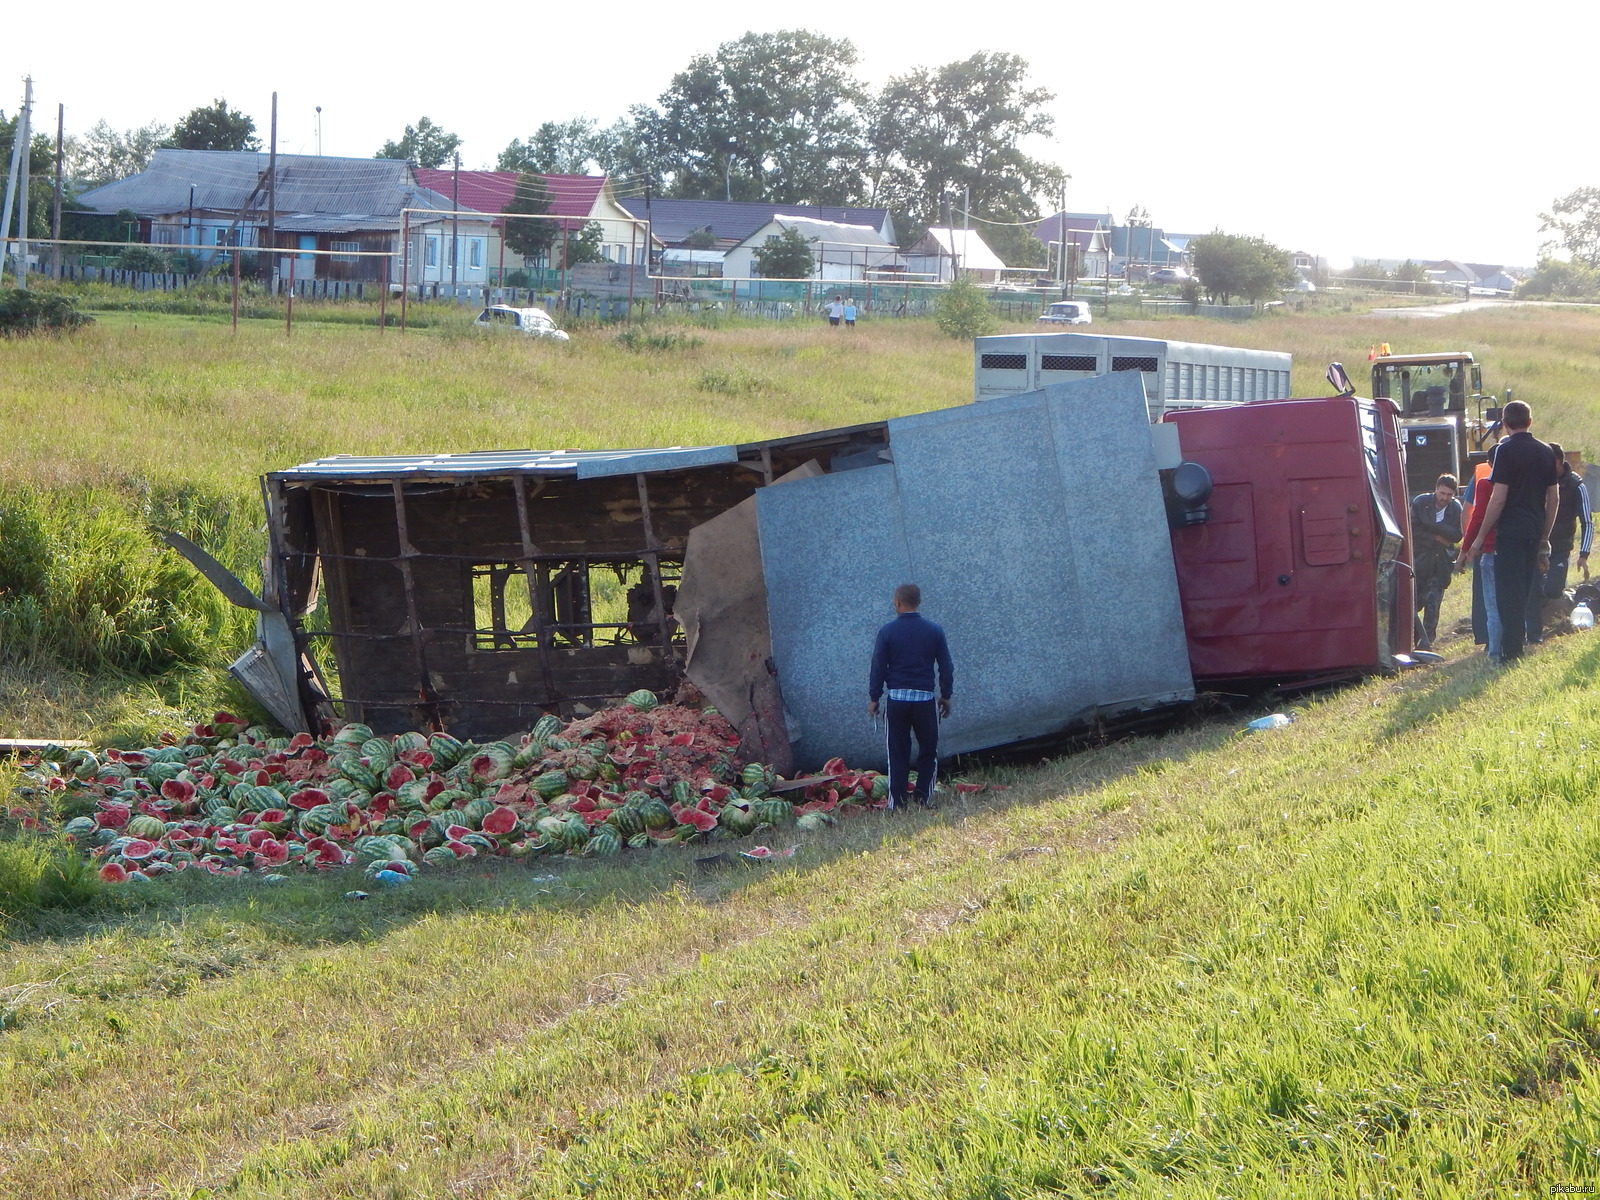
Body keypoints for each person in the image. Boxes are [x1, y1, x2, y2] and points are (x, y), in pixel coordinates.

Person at [1460, 401, 1559, 663]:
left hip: (1511, 532)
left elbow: (1499, 498)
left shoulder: (1504, 451)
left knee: (1507, 595)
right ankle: (1520, 644)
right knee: (1526, 590)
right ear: (1530, 421)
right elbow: (1554, 499)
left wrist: (1480, 537)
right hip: (1534, 529)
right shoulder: (1546, 452)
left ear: (1505, 423)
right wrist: (1545, 536)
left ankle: (1511, 652)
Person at [867, 583, 953, 810]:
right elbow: (946, 666)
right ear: (919, 602)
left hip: (896, 701)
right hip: (925, 701)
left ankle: (897, 803)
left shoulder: (887, 632)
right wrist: (946, 695)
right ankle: (924, 797)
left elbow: (878, 666)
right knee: (928, 751)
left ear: (897, 602)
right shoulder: (934, 630)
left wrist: (875, 697)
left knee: (897, 752)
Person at [1409, 473, 1462, 649]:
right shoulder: (1420, 502)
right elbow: (1412, 530)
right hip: (1418, 559)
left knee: (1433, 603)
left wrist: (1430, 527)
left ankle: (1426, 642)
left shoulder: (1455, 508)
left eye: (1449, 495)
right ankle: (1410, 639)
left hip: (1440, 563)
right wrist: (1438, 536)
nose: (1444, 498)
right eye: (1442, 493)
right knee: (1413, 603)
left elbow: (1457, 535)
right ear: (1436, 489)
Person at [1543, 443, 1592, 599]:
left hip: (1560, 549)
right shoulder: (1537, 481)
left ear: (1556, 462)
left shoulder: (1576, 486)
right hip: (1537, 549)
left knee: (1553, 591)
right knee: (1535, 594)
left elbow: (1587, 523)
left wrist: (1583, 555)